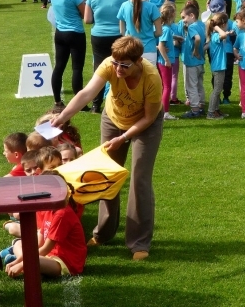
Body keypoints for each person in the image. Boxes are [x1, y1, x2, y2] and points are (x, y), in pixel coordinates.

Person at [52, 36, 163, 261]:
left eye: (125, 65)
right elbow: (86, 93)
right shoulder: (109, 65)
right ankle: (103, 233)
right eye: (115, 63)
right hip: (113, 118)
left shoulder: (152, 78)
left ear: (139, 61)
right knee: (106, 174)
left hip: (145, 125)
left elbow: (149, 117)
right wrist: (62, 117)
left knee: (139, 178)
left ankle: (139, 242)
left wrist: (124, 137)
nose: (118, 69)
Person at [5, 171, 87, 277]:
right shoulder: (49, 209)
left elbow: (45, 248)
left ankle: (29, 265)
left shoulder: (62, 214)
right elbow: (39, 243)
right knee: (19, 244)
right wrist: (16, 262)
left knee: (35, 260)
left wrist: (21, 265)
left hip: (66, 262)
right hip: (49, 255)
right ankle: (26, 263)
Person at [85, 0, 131, 113]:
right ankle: (118, 101)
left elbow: (87, 20)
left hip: (99, 35)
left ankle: (95, 105)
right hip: (118, 34)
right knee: (120, 69)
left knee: (99, 70)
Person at [50, 0, 87, 113]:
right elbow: (84, 14)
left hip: (60, 32)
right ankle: (80, 104)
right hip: (75, 32)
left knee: (59, 67)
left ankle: (57, 101)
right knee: (77, 68)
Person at [117, 0, 161, 64]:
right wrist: (148, 35)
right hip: (149, 49)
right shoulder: (152, 7)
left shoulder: (124, 6)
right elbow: (159, 32)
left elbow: (122, 31)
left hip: (131, 49)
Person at [180, 4, 206, 118]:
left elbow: (198, 39)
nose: (183, 21)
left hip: (191, 62)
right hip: (200, 62)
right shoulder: (201, 24)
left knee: (192, 86)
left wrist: (195, 50)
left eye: (183, 17)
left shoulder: (192, 27)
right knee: (200, 85)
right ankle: (201, 106)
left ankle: (195, 110)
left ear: (191, 15)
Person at [206, 11, 231, 120]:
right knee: (216, 90)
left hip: (220, 66)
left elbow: (225, 36)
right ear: (223, 24)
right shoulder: (216, 35)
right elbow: (223, 35)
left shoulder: (216, 35)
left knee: (218, 89)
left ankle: (216, 110)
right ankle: (210, 112)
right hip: (218, 67)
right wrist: (217, 28)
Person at [156, 3, 178, 121]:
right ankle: (165, 112)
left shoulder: (164, 28)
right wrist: (166, 60)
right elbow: (160, 45)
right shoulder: (166, 30)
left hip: (164, 61)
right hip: (165, 62)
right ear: (171, 15)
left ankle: (162, 111)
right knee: (167, 87)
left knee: (164, 87)